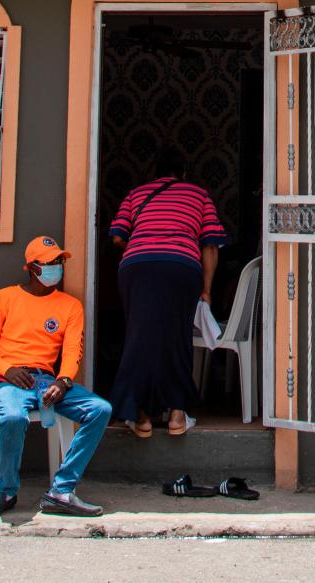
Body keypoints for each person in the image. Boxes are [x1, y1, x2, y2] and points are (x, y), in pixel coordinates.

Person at [0, 235, 113, 520]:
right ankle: (6, 492)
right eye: (50, 263)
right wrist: (7, 370)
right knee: (13, 417)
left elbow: (73, 350)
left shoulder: (70, 306)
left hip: (47, 381)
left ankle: (61, 491)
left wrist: (63, 381)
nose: (57, 268)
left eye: (59, 262)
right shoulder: (4, 298)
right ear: (32, 268)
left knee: (100, 409)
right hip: (9, 379)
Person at [108, 161, 229, 438]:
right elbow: (210, 245)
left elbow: (117, 238)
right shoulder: (198, 195)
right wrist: (206, 290)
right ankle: (176, 416)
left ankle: (141, 418)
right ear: (184, 174)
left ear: (154, 175)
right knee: (177, 336)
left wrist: (143, 247)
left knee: (139, 336)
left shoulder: (136, 193)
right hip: (180, 266)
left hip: (136, 267)